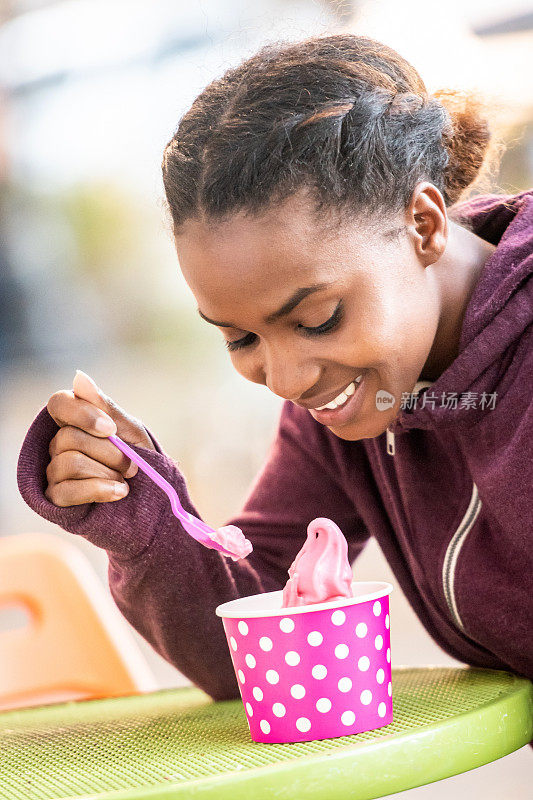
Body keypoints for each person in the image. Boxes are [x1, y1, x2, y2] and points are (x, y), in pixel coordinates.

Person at [17, 34, 532, 702]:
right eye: (239, 338)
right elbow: (262, 651)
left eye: (316, 319)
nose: (286, 380)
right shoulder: (354, 399)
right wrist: (142, 520)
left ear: (424, 225)